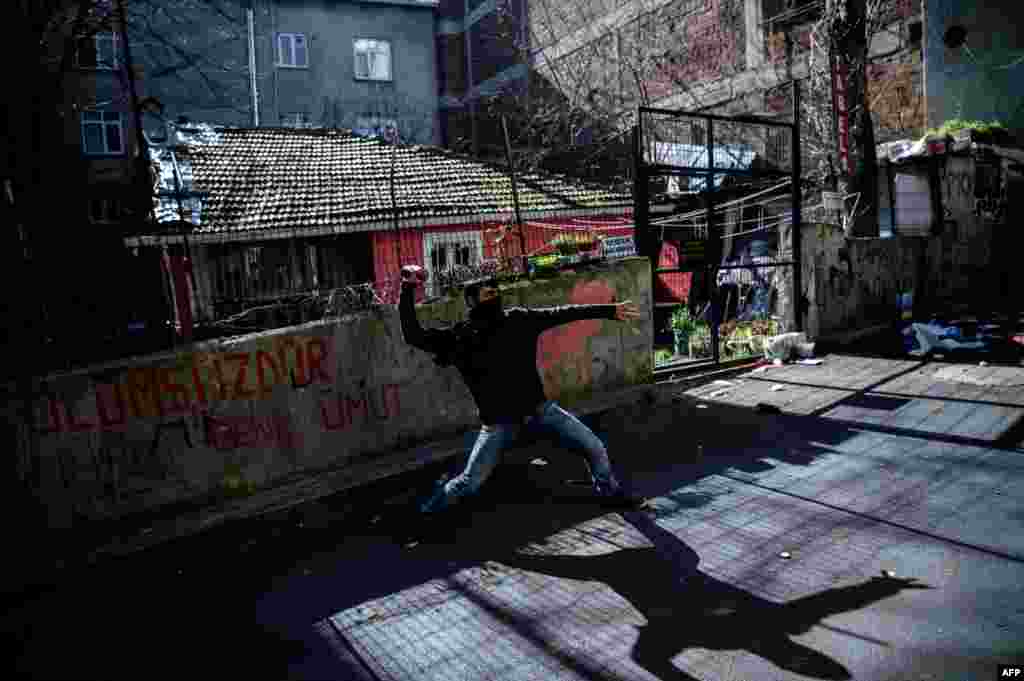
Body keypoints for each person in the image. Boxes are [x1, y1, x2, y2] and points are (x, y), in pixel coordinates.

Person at [398, 264, 644, 520]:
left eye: (495, 290)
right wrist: (407, 289)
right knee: (468, 482)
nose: (493, 293)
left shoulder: (518, 320)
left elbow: (563, 313)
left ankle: (609, 492)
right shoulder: (461, 337)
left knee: (594, 446)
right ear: (472, 300)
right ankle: (426, 514)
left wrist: (609, 311)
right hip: (497, 424)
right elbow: (413, 335)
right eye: (487, 292)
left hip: (539, 411)